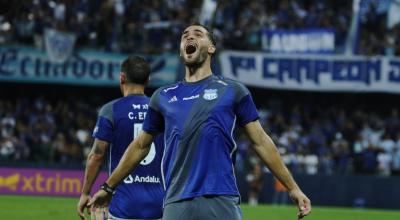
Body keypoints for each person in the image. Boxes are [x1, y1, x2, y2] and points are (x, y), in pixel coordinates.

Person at [88, 24, 312, 220]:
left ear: (211, 48)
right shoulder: (163, 96)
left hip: (222, 197)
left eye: (197, 34)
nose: (189, 37)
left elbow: (261, 142)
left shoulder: (233, 91)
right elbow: (140, 146)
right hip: (177, 201)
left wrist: (293, 188)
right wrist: (108, 187)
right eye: (185, 35)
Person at [77, 56, 164, 220]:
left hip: (123, 204)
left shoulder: (111, 110)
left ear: (122, 78)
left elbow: (97, 155)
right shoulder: (161, 111)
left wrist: (86, 192)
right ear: (148, 80)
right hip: (159, 205)